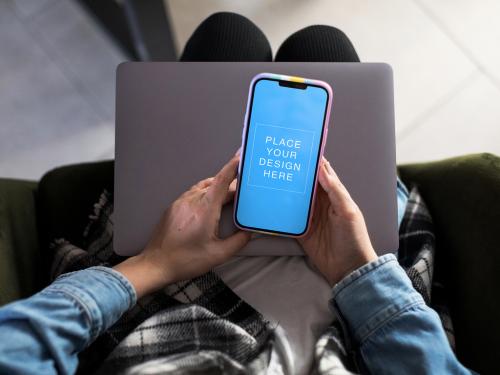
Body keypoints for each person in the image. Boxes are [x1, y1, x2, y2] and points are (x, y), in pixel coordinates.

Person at [0, 13, 472, 375]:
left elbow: (14, 345)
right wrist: (357, 272)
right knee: (321, 46)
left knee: (229, 34)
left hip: (170, 280)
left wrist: (155, 263)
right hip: (348, 283)